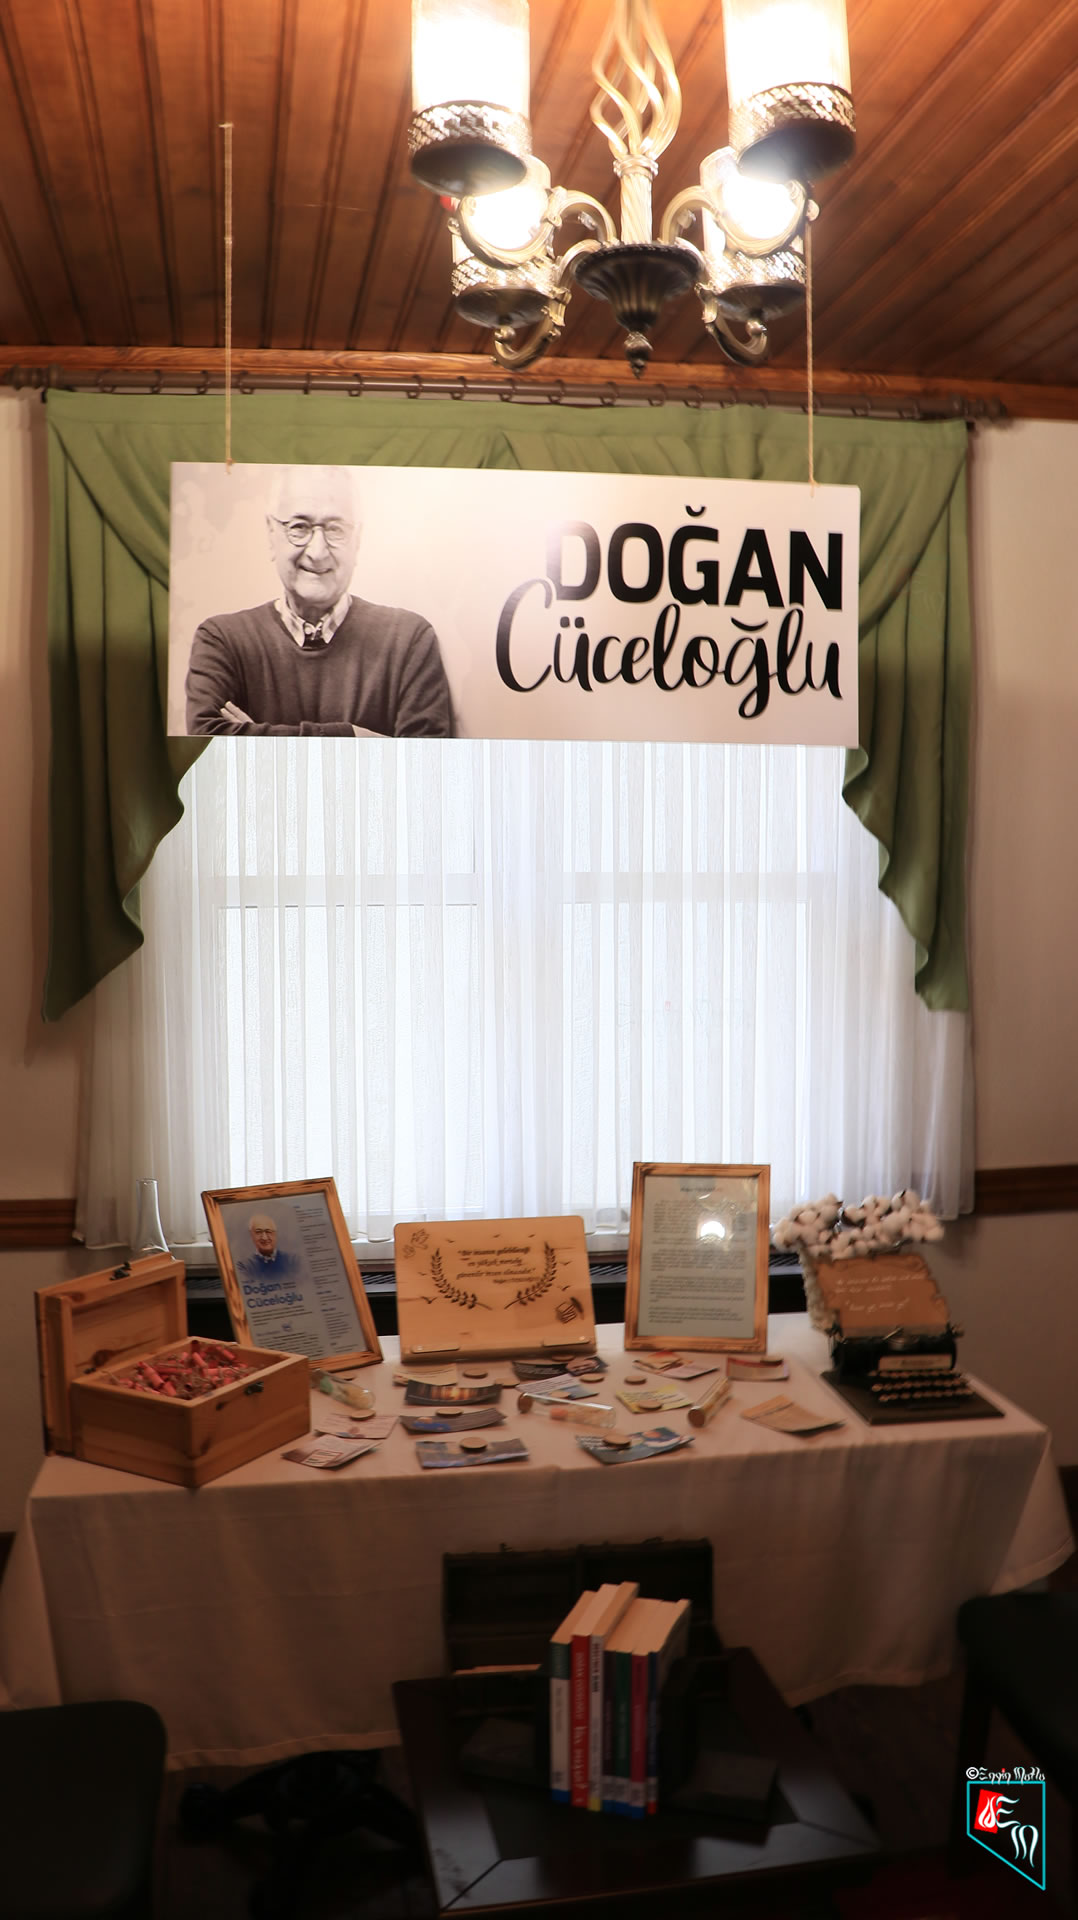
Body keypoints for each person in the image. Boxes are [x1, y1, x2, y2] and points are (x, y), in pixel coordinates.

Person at [185, 466, 453, 736]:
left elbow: (422, 759)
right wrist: (353, 735)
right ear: (271, 534)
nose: (318, 551)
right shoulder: (222, 640)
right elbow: (206, 744)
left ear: (357, 540)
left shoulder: (408, 640)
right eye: (299, 527)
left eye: (335, 529)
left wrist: (255, 739)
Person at [237, 1212, 300, 1281]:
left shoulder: (293, 1261)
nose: (264, 1237)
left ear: (275, 1234)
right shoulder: (245, 1266)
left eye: (268, 1231)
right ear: (252, 1235)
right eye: (258, 1232)